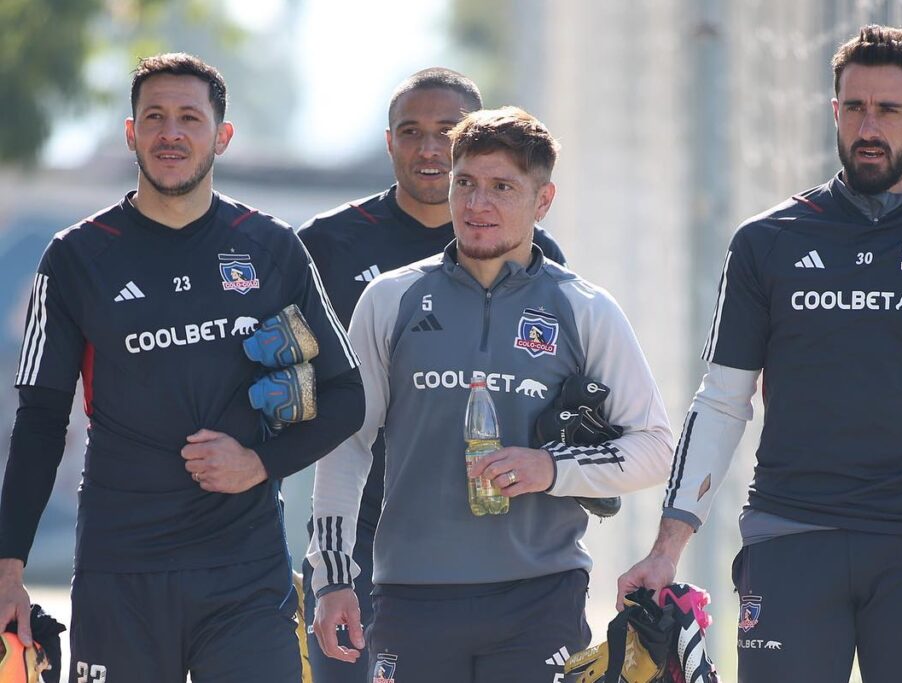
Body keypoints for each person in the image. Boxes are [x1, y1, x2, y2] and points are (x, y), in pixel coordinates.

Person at [618, 25, 902, 683]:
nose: (869, 126)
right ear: (834, 110)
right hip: (791, 535)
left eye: (888, 109)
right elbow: (721, 401)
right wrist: (668, 549)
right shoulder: (766, 241)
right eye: (854, 107)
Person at [0, 53, 365, 683]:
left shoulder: (271, 247)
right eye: (155, 117)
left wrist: (258, 464)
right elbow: (38, 423)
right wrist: (8, 568)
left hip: (245, 575)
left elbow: (346, 395)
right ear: (131, 132)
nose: (172, 132)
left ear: (221, 135)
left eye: (190, 117)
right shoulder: (77, 257)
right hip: (121, 574)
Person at [308, 107, 673, 682]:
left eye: (502, 187)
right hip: (409, 595)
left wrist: (549, 467)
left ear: (543, 200)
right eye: (465, 184)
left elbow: (654, 446)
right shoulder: (389, 299)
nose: (477, 205)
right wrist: (331, 577)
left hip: (539, 597)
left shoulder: (585, 308)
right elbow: (347, 445)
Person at [296, 67, 565, 683]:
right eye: (410, 131)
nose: (428, 148)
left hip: (484, 530)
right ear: (388, 140)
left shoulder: (533, 252)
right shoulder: (324, 244)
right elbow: (292, 372)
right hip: (360, 517)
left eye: (448, 131)